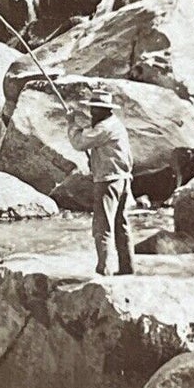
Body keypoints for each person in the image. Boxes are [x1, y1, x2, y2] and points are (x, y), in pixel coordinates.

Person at [66, 86, 135, 276]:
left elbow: (79, 143)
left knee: (102, 226)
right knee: (121, 224)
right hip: (122, 179)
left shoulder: (105, 127)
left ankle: (103, 269)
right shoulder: (114, 124)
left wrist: (72, 124)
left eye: (95, 109)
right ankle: (127, 268)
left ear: (105, 110)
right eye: (92, 108)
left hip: (108, 180)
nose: (91, 112)